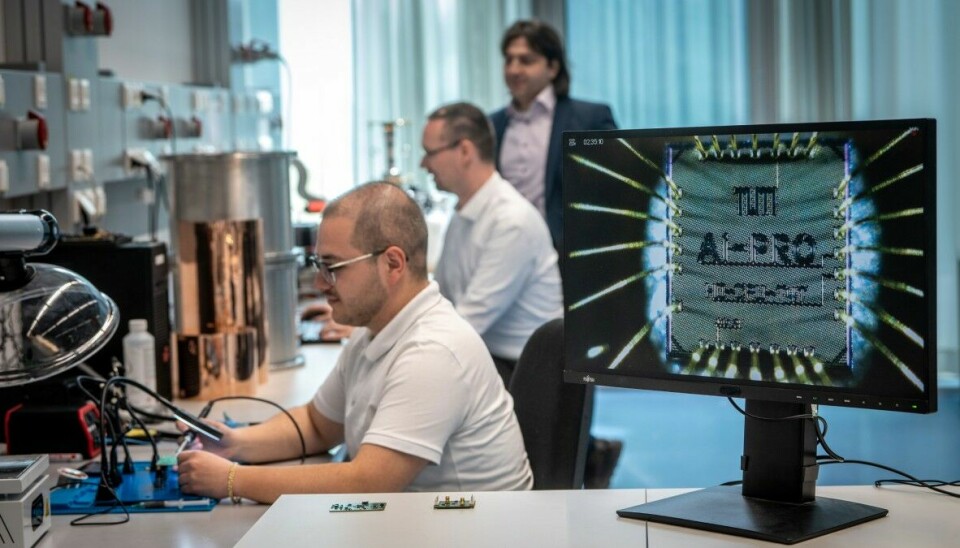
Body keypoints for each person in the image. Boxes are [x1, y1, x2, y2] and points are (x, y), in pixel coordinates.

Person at [177, 182, 533, 503]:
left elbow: (367, 484)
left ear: (392, 264)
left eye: (333, 267)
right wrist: (237, 444)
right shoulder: (374, 331)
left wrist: (232, 480)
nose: (319, 283)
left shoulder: (433, 352)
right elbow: (319, 424)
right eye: (318, 265)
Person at [421, 102, 562, 385]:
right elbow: (440, 300)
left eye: (430, 153)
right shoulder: (465, 212)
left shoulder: (511, 221)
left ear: (464, 151)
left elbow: (467, 323)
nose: (423, 164)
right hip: (490, 356)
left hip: (525, 373)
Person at [490, 19, 618, 253]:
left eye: (526, 60)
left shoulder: (590, 119)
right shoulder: (492, 125)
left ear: (553, 67)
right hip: (506, 252)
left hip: (569, 256)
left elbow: (613, 192)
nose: (514, 69)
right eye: (509, 60)